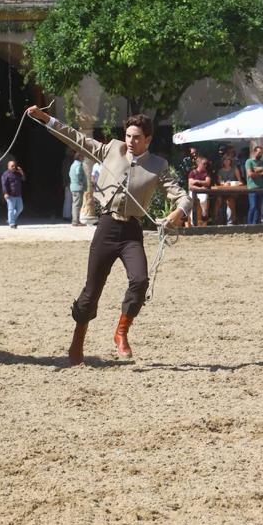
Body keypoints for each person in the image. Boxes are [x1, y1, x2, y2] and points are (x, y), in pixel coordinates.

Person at [27, 106, 191, 364]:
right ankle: (78, 340)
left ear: (148, 139)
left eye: (137, 137)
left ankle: (121, 332)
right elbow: (76, 138)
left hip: (131, 231)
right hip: (106, 227)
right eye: (128, 135)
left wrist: (177, 213)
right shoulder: (112, 148)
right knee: (91, 291)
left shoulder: (158, 165)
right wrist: (46, 119)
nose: (131, 141)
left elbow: (182, 196)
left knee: (139, 280)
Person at [215, 153, 242, 225]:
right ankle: (216, 217)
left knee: (230, 200)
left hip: (233, 190)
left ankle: (233, 218)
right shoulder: (220, 171)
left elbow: (240, 181)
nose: (227, 161)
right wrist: (223, 183)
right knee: (218, 200)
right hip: (223, 190)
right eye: (225, 160)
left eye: (228, 160)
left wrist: (234, 183)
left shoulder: (235, 169)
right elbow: (219, 181)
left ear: (230, 161)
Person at [245, 144, 263, 224]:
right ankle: (249, 224)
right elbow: (250, 174)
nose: (260, 154)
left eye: (261, 153)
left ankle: (256, 224)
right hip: (252, 187)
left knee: (258, 207)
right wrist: (261, 173)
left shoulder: (262, 162)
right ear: (254, 152)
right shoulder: (249, 161)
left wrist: (262, 170)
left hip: (261, 187)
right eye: (259, 153)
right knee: (253, 206)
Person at [1, 159, 25, 228]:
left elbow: (23, 179)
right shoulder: (5, 174)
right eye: (12, 166)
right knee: (11, 209)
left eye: (15, 165)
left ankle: (10, 219)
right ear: (8, 166)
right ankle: (12, 223)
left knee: (20, 208)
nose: (14, 167)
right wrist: (5, 193)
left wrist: (21, 172)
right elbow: (4, 184)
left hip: (18, 194)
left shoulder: (18, 173)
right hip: (10, 195)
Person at [188, 155, 212, 226]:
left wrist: (197, 181)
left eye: (206, 164)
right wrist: (200, 188)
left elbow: (207, 183)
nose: (205, 165)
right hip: (194, 191)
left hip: (203, 192)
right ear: (199, 164)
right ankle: (193, 223)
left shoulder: (206, 173)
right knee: (192, 203)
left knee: (203, 199)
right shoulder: (192, 173)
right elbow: (190, 185)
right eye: (204, 164)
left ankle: (203, 215)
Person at [69, 152, 87, 227]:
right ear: (79, 157)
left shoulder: (73, 164)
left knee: (75, 204)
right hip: (78, 187)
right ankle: (76, 221)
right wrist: (80, 181)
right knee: (77, 205)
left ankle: (75, 220)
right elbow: (78, 173)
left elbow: (70, 174)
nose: (84, 158)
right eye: (83, 157)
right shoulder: (79, 165)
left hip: (73, 186)